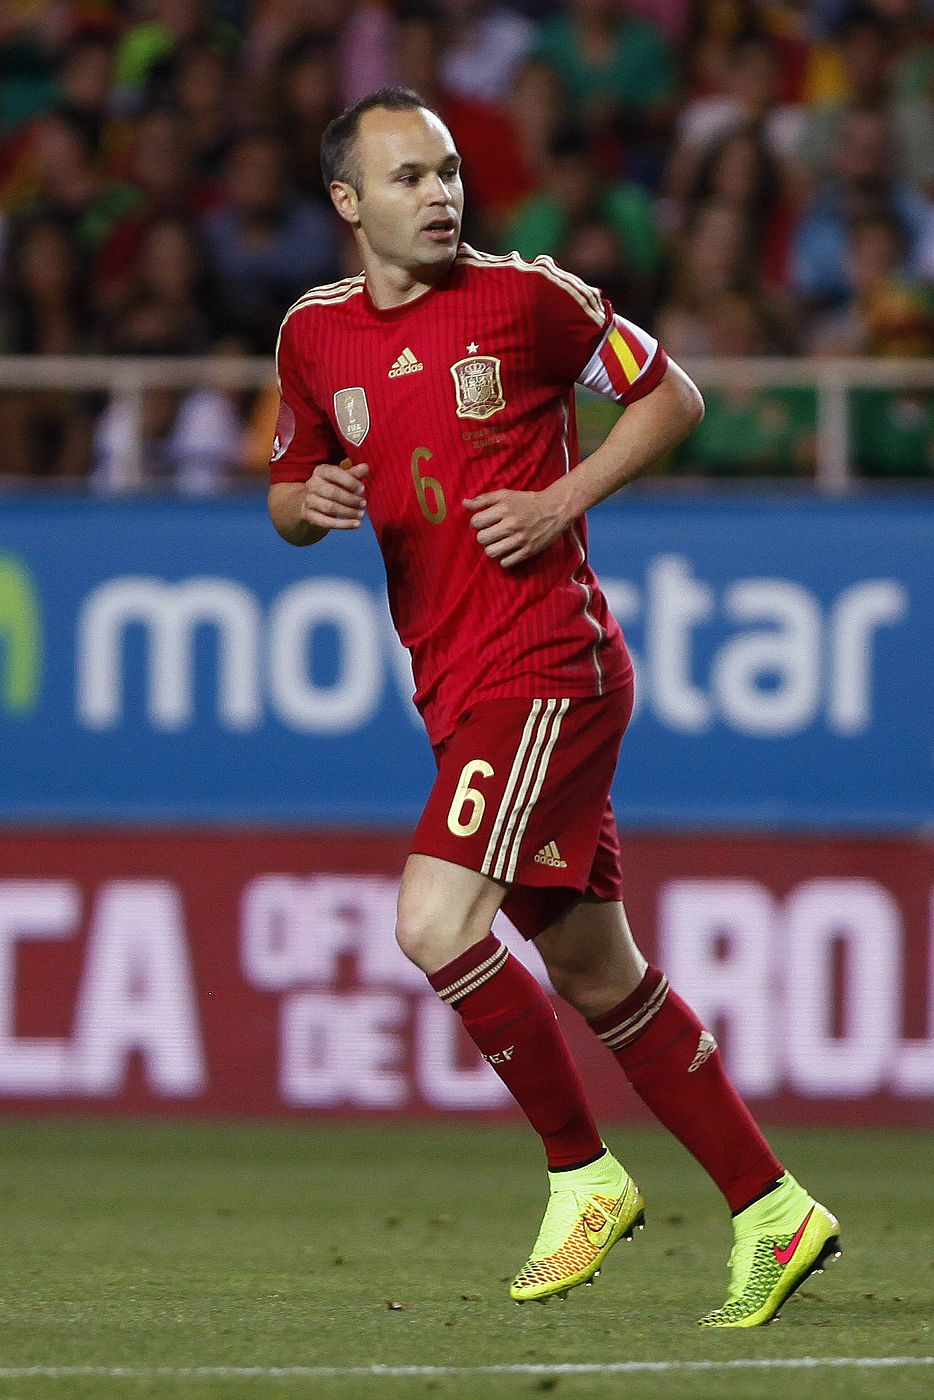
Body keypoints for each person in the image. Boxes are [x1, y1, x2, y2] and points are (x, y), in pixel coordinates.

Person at [267, 86, 841, 1326]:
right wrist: (303, 505)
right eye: (410, 177)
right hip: (454, 680)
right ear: (348, 203)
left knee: (431, 917)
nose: (441, 194)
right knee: (593, 968)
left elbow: (672, 394)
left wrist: (559, 497)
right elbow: (287, 477)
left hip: (545, 668)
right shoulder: (313, 334)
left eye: (450, 171)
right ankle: (772, 1205)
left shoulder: (527, 299)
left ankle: (582, 1174)